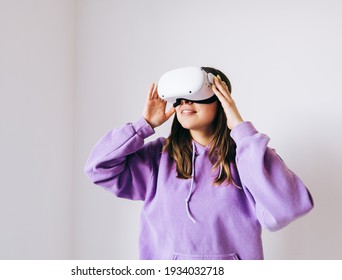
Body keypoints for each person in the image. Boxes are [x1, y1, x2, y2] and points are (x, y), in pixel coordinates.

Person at [84, 67, 314, 260]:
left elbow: (289, 207)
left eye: (195, 95)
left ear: (221, 100)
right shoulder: (158, 156)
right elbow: (98, 168)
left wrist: (240, 128)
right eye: (180, 98)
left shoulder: (247, 157)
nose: (185, 102)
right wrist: (143, 125)